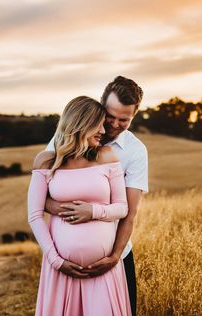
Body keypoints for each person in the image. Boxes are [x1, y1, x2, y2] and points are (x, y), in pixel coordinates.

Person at [44, 76, 148, 315]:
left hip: (114, 259)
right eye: (110, 116)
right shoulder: (64, 139)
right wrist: (66, 210)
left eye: (124, 120)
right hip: (63, 261)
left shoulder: (135, 151)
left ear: (134, 116)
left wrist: (114, 257)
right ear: (101, 105)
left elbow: (129, 213)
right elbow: (41, 197)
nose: (114, 124)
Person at [28, 96, 131, 315]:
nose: (104, 130)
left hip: (102, 271)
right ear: (81, 123)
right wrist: (56, 261)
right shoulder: (46, 161)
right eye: (99, 124)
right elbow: (35, 215)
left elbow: (122, 208)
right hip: (61, 272)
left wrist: (92, 211)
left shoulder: (106, 157)